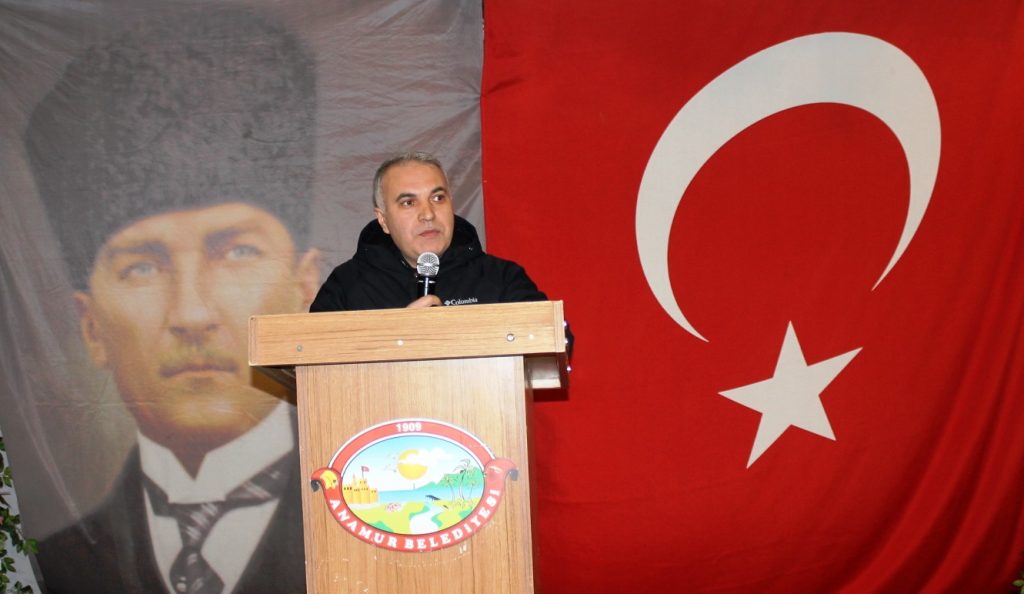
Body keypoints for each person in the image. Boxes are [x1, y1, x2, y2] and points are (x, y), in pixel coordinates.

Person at [24, 8, 318, 593]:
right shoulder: (62, 563)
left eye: (236, 253)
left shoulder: (382, 516)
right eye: (141, 267)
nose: (191, 315)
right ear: (91, 327)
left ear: (305, 291)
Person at [310, 152, 548, 312]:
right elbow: (309, 359)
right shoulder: (346, 286)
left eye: (438, 198)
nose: (428, 214)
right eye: (408, 203)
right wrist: (397, 338)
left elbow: (551, 340)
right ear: (383, 220)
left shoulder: (501, 278)